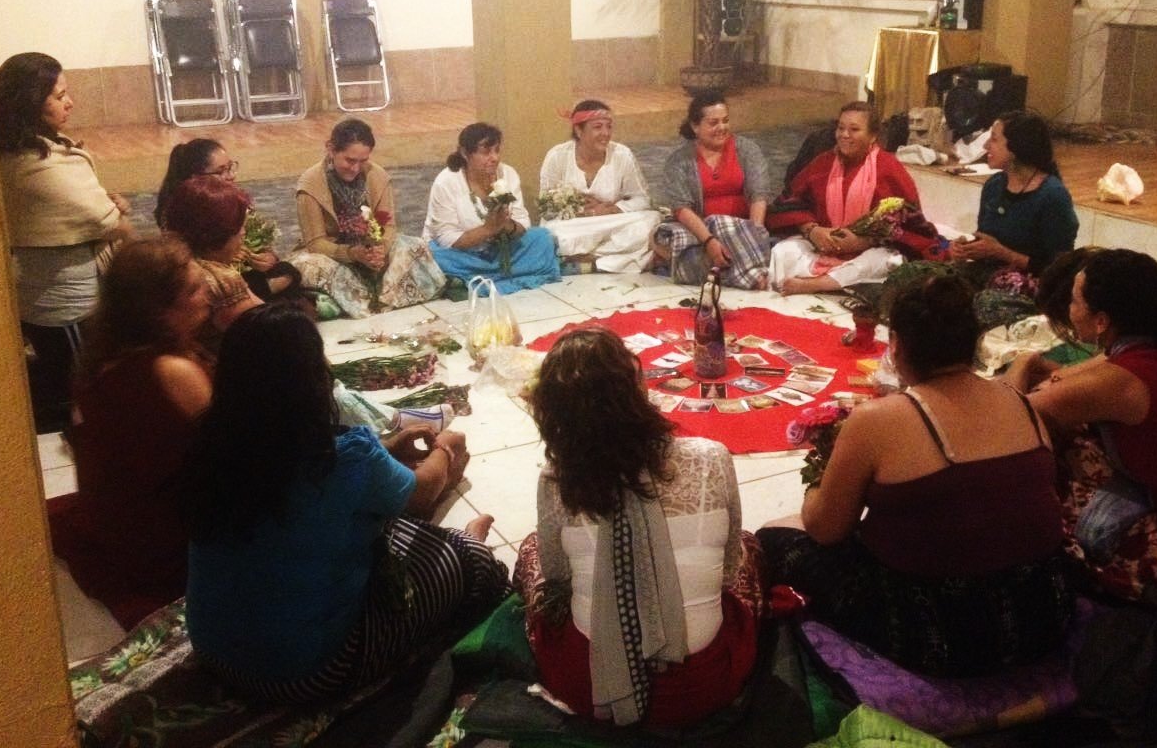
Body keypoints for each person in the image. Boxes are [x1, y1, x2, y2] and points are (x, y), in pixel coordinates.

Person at [183, 303, 508, 701]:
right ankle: (472, 545)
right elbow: (423, 493)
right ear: (311, 381)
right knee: (469, 557)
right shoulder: (345, 457)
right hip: (308, 672)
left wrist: (387, 449)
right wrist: (444, 448)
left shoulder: (211, 448)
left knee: (374, 522)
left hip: (215, 651)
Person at [759, 274, 1073, 677]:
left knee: (775, 539)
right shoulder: (1020, 401)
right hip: (1043, 612)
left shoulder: (878, 418)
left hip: (942, 634)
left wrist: (818, 483)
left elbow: (825, 530)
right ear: (973, 343)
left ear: (896, 346)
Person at [514, 328, 762, 728]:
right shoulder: (712, 458)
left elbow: (557, 577)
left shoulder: (557, 479)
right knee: (749, 548)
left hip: (591, 685)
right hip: (705, 685)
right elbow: (730, 572)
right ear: (638, 390)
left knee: (531, 551)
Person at [1005, 249, 1157, 615]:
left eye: (1075, 301)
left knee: (1043, 459)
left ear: (1101, 320)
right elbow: (1082, 376)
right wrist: (1055, 376)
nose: (1071, 310)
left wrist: (1022, 362)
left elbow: (1009, 415)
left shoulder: (1125, 379)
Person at [46, 237, 212, 629]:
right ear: (158, 311)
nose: (206, 292)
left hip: (116, 524)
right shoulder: (170, 370)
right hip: (167, 542)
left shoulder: (100, 359)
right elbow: (235, 450)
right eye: (193, 290)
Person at [0, 52, 136, 430]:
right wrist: (114, 214)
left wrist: (109, 209)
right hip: (62, 300)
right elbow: (106, 221)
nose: (69, 102)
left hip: (58, 287)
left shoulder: (25, 149)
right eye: (59, 96)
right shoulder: (34, 166)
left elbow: (92, 211)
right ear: (30, 103)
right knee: (83, 387)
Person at [767, 102, 923, 295]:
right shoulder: (823, 163)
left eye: (854, 129)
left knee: (887, 260)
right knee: (783, 251)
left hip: (867, 253)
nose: (844, 135)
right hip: (822, 247)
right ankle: (834, 282)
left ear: (873, 135)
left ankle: (816, 284)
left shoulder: (889, 168)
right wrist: (812, 230)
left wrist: (863, 241)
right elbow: (788, 202)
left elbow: (910, 223)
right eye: (840, 128)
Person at [293, 119, 444, 317]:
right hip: (334, 256)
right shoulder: (310, 184)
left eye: (362, 161)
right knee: (306, 265)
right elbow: (315, 243)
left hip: (373, 252)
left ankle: (379, 298)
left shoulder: (377, 175)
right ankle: (371, 298)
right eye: (350, 160)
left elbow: (389, 226)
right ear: (330, 149)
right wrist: (352, 254)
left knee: (415, 246)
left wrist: (380, 250)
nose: (356, 168)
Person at [950, 111, 1078, 327]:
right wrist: (964, 248)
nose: (986, 146)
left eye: (994, 139)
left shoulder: (1052, 196)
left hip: (1033, 285)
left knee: (987, 305)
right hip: (990, 275)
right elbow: (986, 239)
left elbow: (1059, 269)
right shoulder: (994, 185)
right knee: (930, 282)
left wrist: (1002, 253)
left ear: (1017, 147)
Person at [155, 137, 301, 302]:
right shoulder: (181, 210)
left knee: (287, 271)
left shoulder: (230, 199)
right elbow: (193, 262)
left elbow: (258, 245)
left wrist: (266, 257)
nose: (231, 176)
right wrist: (228, 256)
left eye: (230, 167)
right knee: (288, 280)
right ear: (196, 177)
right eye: (221, 171)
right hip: (211, 281)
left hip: (240, 272)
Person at [425, 122, 560, 294]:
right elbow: (446, 239)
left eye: (497, 150)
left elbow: (523, 223)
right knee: (434, 256)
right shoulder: (446, 182)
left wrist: (506, 225)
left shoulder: (508, 174)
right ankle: (505, 273)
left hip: (501, 250)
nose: (494, 158)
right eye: (486, 152)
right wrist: (488, 229)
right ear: (465, 153)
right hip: (462, 254)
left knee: (542, 238)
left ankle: (472, 278)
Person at [653, 94, 770, 290]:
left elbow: (759, 194)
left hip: (741, 229)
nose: (722, 127)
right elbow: (681, 208)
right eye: (713, 123)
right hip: (701, 231)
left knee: (739, 238)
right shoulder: (679, 160)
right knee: (670, 238)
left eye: (725, 120)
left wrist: (755, 235)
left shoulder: (748, 150)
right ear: (695, 126)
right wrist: (709, 241)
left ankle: (726, 270)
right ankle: (751, 271)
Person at [537, 100, 661, 273]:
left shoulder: (622, 154)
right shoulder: (557, 156)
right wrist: (582, 211)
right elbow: (546, 207)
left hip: (610, 222)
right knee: (551, 233)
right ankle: (615, 260)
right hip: (574, 226)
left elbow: (642, 199)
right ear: (578, 130)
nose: (606, 133)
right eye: (597, 127)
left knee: (651, 220)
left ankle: (586, 261)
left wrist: (614, 209)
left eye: (609, 127)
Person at [162, 175, 263, 355]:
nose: (243, 232)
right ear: (222, 231)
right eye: (240, 226)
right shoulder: (220, 279)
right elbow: (268, 335)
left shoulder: (169, 263)